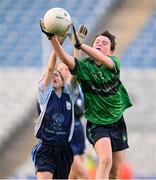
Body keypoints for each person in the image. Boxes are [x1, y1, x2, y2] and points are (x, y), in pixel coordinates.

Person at [48, 26, 133, 179]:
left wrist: (80, 45)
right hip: (97, 124)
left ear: (111, 52)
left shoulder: (113, 63)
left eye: (105, 43)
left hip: (117, 121)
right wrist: (53, 41)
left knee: (115, 171)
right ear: (92, 46)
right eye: (97, 42)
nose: (100, 44)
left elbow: (101, 58)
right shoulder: (84, 67)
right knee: (105, 160)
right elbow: (67, 60)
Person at [31, 34, 78, 179]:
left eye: (58, 75)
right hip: (46, 149)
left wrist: (77, 47)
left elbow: (76, 71)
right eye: (51, 75)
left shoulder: (69, 94)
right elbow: (50, 68)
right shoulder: (45, 95)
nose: (53, 76)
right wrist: (57, 43)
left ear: (64, 82)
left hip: (64, 150)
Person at [56, 26, 89, 179]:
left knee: (73, 176)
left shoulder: (76, 85)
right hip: (66, 132)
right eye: (62, 69)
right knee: (84, 174)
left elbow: (76, 67)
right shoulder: (62, 90)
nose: (66, 70)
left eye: (66, 68)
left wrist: (77, 47)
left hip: (78, 129)